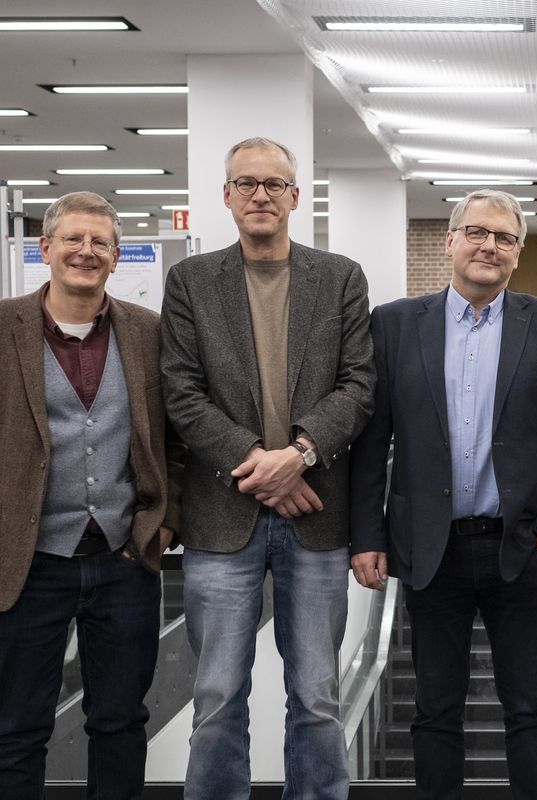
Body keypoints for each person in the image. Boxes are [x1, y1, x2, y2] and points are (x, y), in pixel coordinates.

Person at [349, 188, 537, 800]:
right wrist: (368, 537)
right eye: (478, 233)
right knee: (434, 709)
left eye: (505, 237)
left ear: (518, 252)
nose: (490, 245)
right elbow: (371, 442)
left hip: (520, 547)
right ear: (450, 241)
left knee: (530, 706)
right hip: (431, 549)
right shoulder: (397, 324)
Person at [160, 137, 375, 799]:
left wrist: (299, 454)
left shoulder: (339, 277)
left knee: (315, 695)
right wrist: (259, 464)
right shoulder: (191, 282)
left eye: (274, 184)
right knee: (218, 693)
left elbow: (358, 385)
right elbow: (181, 391)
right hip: (223, 519)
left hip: (317, 519)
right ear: (226, 196)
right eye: (246, 183)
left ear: (294, 197)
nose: (260, 195)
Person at [0, 191, 181, 798]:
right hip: (25, 567)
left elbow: (176, 438)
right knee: (17, 729)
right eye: (73, 240)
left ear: (116, 254)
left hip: (123, 562)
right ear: (45, 248)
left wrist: (163, 526)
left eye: (99, 242)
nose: (86, 251)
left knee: (121, 724)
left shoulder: (148, 332)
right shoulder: (4, 328)